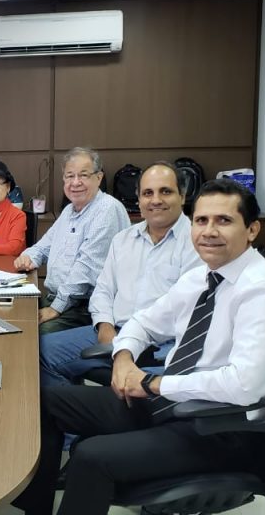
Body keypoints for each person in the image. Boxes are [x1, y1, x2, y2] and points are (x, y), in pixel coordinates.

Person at [14, 179, 265, 515]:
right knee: (44, 403)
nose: (209, 231)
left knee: (92, 456)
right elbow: (144, 322)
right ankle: (36, 508)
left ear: (251, 230)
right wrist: (123, 358)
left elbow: (244, 385)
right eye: (201, 220)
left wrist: (153, 383)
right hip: (169, 403)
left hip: (218, 427)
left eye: (224, 220)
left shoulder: (264, 292)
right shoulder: (201, 277)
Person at [39, 162, 202, 389]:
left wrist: (130, 342)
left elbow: (184, 311)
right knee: (35, 353)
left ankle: (93, 404)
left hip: (161, 344)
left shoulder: (198, 243)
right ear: (139, 199)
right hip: (112, 332)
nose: (155, 200)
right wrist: (104, 326)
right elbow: (103, 290)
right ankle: (76, 404)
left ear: (182, 196)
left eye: (165, 191)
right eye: (148, 193)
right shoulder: (123, 240)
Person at [14, 147, 130, 334]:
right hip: (59, 298)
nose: (75, 182)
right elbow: (43, 246)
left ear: (98, 177)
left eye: (83, 175)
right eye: (70, 176)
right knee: (13, 315)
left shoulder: (107, 209)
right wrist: (28, 257)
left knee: (32, 335)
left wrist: (56, 308)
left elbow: (86, 268)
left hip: (85, 307)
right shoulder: (69, 210)